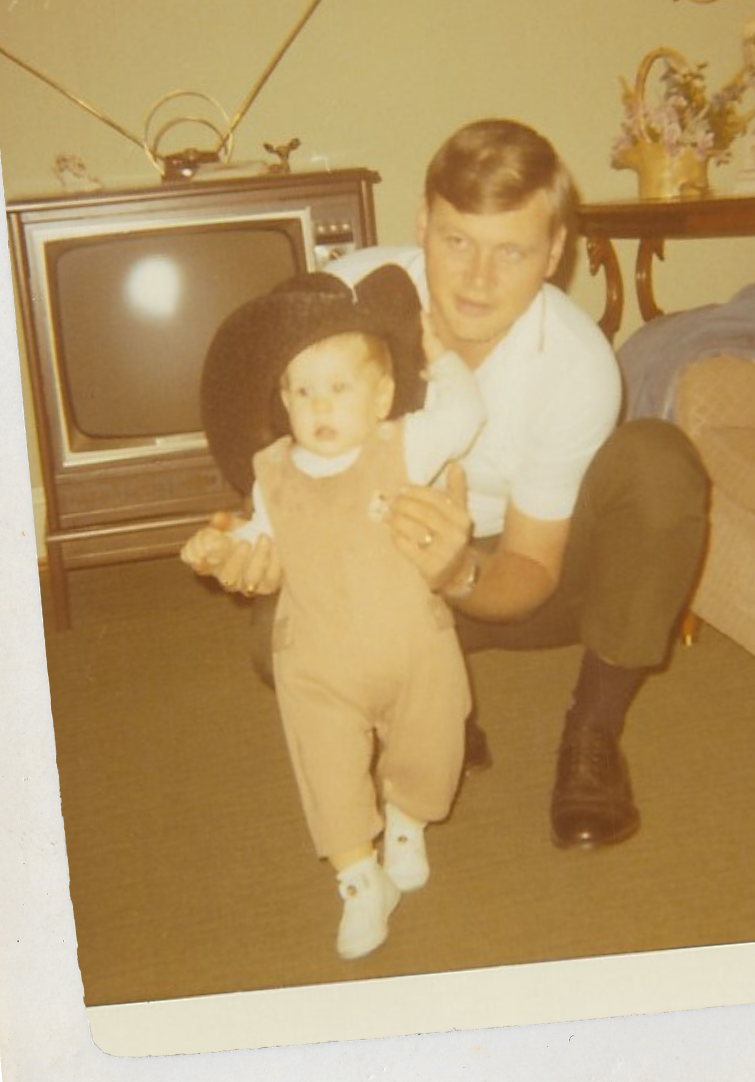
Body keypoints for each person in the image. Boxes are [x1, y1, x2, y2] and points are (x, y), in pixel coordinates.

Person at [199, 118, 711, 851]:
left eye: (512, 251)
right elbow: (272, 456)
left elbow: (532, 566)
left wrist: (457, 572)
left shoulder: (577, 363)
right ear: (422, 225)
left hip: (524, 573)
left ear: (555, 253)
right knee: (269, 641)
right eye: (456, 241)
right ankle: (428, 702)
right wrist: (249, 543)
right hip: (377, 572)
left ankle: (592, 732)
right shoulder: (340, 301)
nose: (477, 279)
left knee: (661, 466)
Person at [183, 267, 486, 959]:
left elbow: (465, 416)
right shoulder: (274, 473)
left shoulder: (402, 445)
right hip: (317, 660)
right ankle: (359, 882)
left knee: (434, 745)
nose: (319, 406)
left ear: (381, 398)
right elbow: (259, 539)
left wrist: (438, 358)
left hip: (414, 648)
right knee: (326, 772)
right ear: (282, 400)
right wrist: (221, 546)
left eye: (340, 388)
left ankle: (407, 821)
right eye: (301, 390)